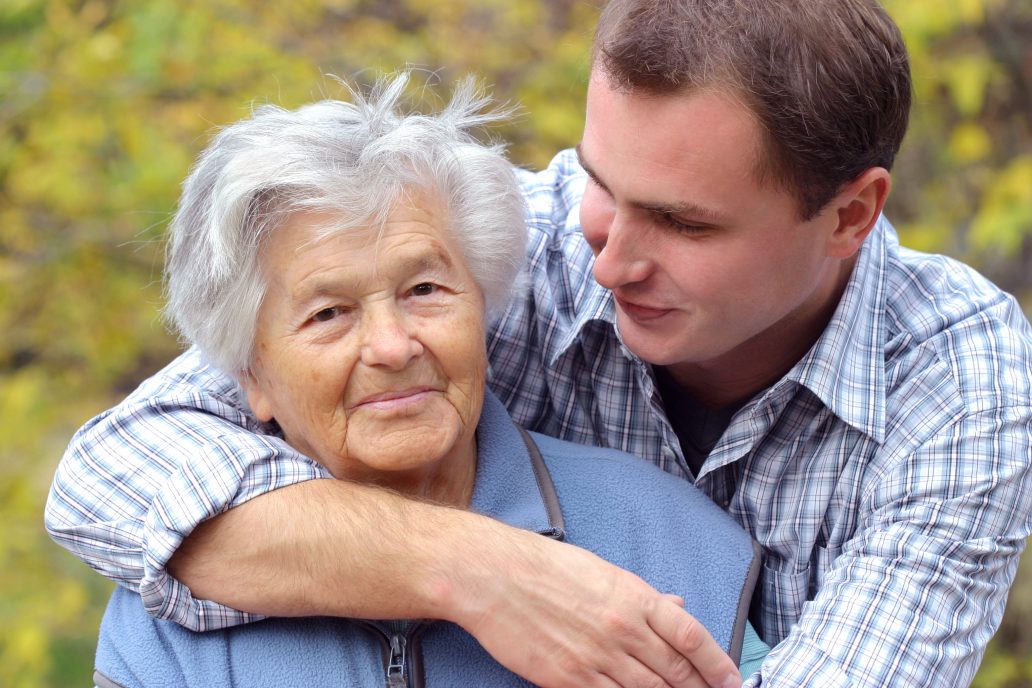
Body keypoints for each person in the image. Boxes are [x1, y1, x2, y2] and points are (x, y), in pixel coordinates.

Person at [47, 1, 1032, 686]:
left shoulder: (960, 384)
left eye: (683, 225)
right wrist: (488, 572)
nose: (605, 263)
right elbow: (113, 473)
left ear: (849, 214)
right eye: (603, 182)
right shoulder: (502, 247)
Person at [89, 75, 768, 688]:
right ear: (252, 378)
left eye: (424, 289)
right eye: (329, 313)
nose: (391, 345)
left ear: (484, 308)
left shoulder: (676, 544)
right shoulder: (175, 613)